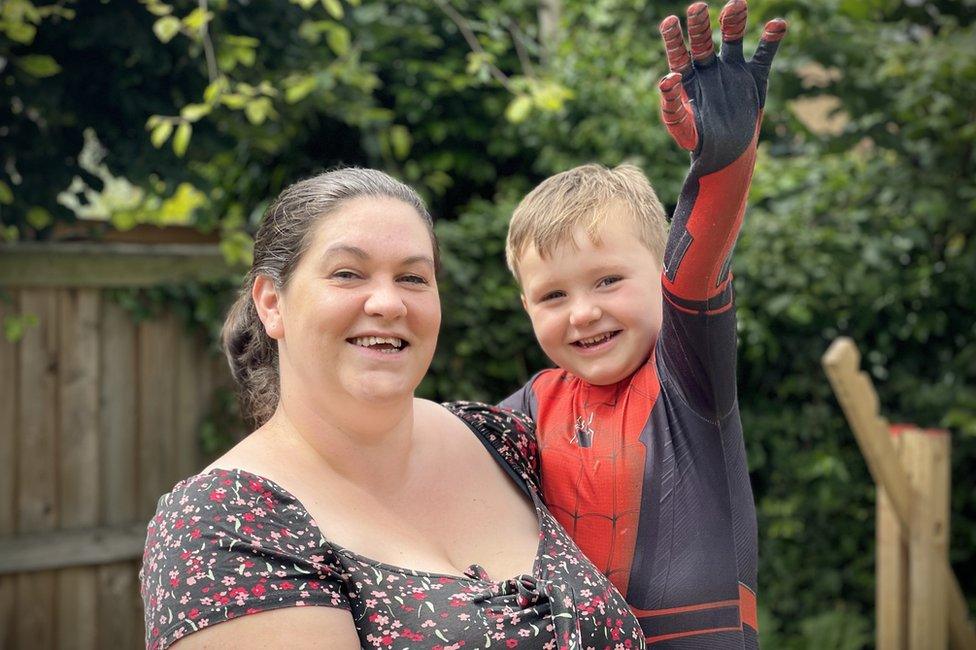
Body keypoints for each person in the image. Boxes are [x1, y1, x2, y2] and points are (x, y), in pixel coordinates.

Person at [139, 168, 646, 649]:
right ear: (272, 303)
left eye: (413, 278)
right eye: (347, 273)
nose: (388, 303)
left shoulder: (502, 439)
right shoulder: (225, 525)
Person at [499, 1, 786, 646]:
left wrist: (726, 159)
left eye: (607, 280)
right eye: (552, 296)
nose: (584, 312)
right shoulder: (528, 408)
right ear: (526, 309)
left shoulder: (689, 376)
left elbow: (700, 257)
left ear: (660, 277)